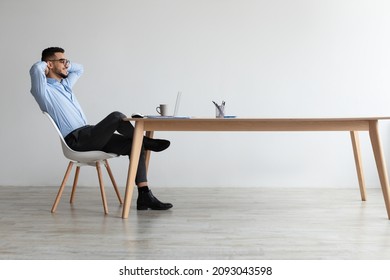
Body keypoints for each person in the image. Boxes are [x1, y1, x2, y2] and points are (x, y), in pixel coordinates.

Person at [29, 47, 172, 210]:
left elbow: (80, 68)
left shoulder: (66, 86)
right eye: (62, 61)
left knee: (136, 146)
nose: (66, 65)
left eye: (66, 61)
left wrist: (63, 64)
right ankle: (146, 140)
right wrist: (45, 65)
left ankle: (145, 195)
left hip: (89, 134)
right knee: (117, 116)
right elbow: (35, 69)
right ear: (49, 64)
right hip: (77, 140)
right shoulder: (43, 91)